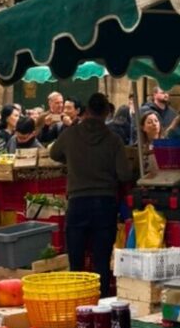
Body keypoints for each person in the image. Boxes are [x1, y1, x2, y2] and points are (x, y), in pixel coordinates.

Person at [50, 92, 132, 297]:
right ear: (106, 113)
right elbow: (124, 174)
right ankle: (102, 302)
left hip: (78, 201)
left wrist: (72, 160)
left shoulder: (70, 134)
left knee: (76, 259)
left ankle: (77, 303)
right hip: (105, 203)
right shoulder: (113, 140)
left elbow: (54, 153)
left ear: (86, 111)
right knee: (101, 259)